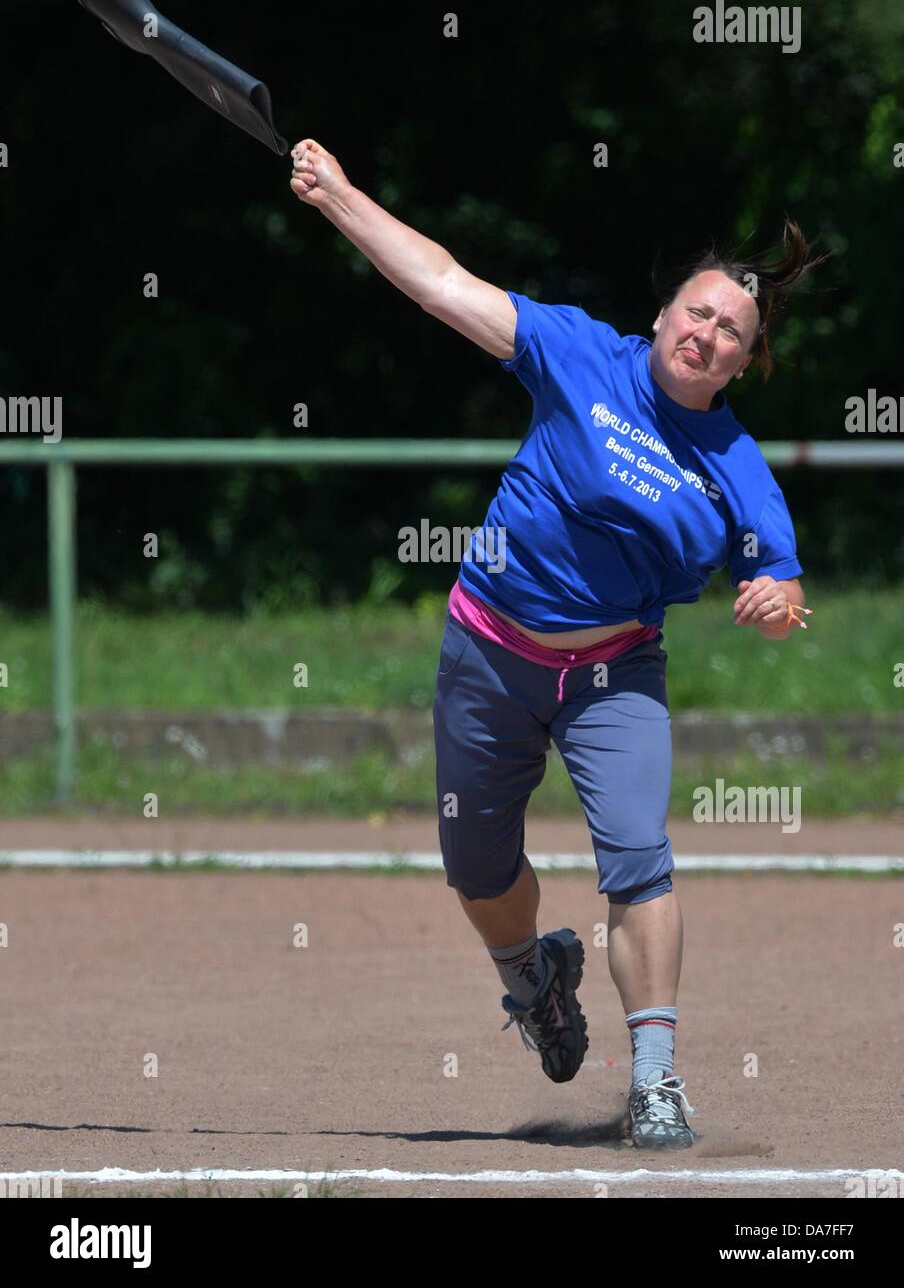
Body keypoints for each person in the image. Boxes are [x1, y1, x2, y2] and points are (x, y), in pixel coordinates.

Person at [289, 139, 825, 1149]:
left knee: (638, 859)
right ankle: (534, 979)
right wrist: (342, 198)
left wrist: (774, 603)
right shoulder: (579, 353)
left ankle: (655, 1082)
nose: (707, 334)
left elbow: (784, 585)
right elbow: (443, 283)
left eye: (731, 332)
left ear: (746, 360)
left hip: (611, 671)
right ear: (663, 313)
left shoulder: (736, 465)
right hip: (486, 648)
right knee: (475, 869)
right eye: (698, 312)